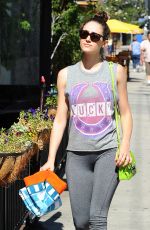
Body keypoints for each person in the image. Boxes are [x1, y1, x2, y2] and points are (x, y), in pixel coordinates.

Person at [40, 11, 133, 230]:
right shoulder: (65, 75)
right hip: (76, 156)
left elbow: (126, 113)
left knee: (97, 218)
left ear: (103, 42)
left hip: (108, 153)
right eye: (84, 33)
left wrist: (125, 146)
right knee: (81, 222)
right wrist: (51, 159)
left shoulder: (116, 72)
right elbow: (61, 120)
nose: (88, 38)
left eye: (94, 35)